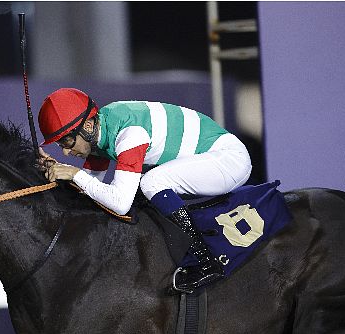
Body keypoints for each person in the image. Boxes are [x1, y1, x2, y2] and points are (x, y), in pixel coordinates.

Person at [37, 88, 252, 291]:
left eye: (67, 141)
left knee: (150, 182)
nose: (65, 152)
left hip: (228, 160)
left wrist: (74, 173)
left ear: (88, 126)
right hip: (214, 159)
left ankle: (206, 262)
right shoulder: (101, 130)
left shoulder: (129, 133)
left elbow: (120, 203)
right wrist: (57, 171)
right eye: (60, 145)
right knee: (141, 191)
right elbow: (90, 189)